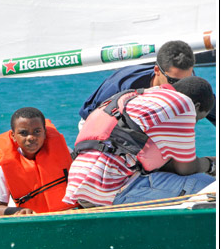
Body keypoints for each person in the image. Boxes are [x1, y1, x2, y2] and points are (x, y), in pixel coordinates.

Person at [64, 76, 216, 208]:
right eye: (197, 119)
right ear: (195, 107)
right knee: (212, 189)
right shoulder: (182, 104)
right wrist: (211, 164)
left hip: (80, 186)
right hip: (111, 189)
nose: (193, 123)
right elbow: (186, 168)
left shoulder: (137, 95)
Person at [78, 40, 216, 128]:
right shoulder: (123, 84)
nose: (181, 88)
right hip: (105, 125)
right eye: (174, 81)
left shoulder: (189, 85)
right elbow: (89, 118)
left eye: (187, 79)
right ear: (157, 70)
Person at [0, 107, 76, 216]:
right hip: (29, 222)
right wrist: (18, 211)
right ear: (13, 136)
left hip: (66, 217)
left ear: (45, 133)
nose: (31, 137)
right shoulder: (3, 166)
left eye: (37, 132)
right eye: (23, 133)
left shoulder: (66, 153)